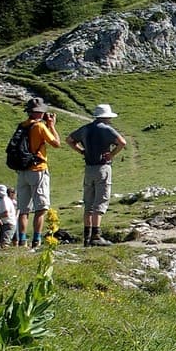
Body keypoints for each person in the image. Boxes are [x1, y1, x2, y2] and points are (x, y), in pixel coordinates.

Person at [67, 103, 128, 247]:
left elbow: (69, 140)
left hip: (88, 168)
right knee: (100, 201)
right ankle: (96, 236)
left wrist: (81, 151)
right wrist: (111, 155)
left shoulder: (85, 129)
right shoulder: (106, 129)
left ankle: (86, 238)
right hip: (102, 167)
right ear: (106, 117)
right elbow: (122, 142)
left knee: (88, 202)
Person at [14, 98, 60, 249]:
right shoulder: (40, 126)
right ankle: (36, 240)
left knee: (23, 209)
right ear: (40, 112)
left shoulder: (23, 125)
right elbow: (56, 143)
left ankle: (22, 241)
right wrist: (51, 126)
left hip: (22, 170)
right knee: (41, 208)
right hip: (38, 169)